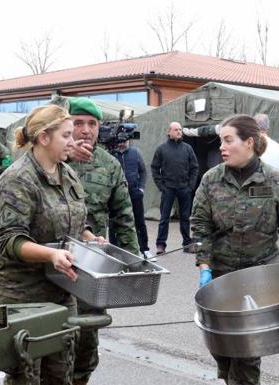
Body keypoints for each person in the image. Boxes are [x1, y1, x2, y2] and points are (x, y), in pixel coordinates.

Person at [191, 114, 279, 385]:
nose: (222, 147)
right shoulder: (211, 180)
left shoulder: (276, 181)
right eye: (221, 141)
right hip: (221, 276)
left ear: (250, 142)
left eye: (228, 140)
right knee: (219, 345)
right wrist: (204, 265)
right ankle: (227, 374)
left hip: (259, 279)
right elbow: (200, 225)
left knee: (247, 352)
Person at [0, 104, 104, 384]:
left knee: (60, 374)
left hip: (62, 290)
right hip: (24, 296)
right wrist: (51, 255)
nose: (74, 140)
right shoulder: (18, 180)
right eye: (66, 135)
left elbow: (73, 219)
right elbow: (9, 240)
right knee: (26, 376)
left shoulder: (65, 172)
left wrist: (89, 237)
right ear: (44, 137)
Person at [65, 97, 140, 385]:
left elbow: (123, 216)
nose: (85, 130)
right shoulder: (49, 157)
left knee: (86, 343)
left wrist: (133, 264)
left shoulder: (110, 165)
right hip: (47, 264)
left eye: (92, 124)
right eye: (78, 122)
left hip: (90, 267)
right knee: (49, 344)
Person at [151, 121, 199, 255]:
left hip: (184, 188)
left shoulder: (187, 148)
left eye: (180, 130)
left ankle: (187, 244)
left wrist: (190, 186)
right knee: (164, 218)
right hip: (168, 188)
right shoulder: (161, 149)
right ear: (169, 132)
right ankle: (161, 245)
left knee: (185, 217)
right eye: (176, 130)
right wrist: (161, 186)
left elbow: (195, 168)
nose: (179, 132)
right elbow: (155, 168)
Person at [112, 138, 153, 259]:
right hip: (117, 196)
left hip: (135, 194)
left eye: (125, 140)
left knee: (140, 222)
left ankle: (145, 249)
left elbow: (143, 172)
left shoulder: (135, 153)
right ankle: (115, 251)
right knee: (115, 222)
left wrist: (141, 189)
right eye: (120, 140)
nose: (122, 143)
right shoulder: (112, 154)